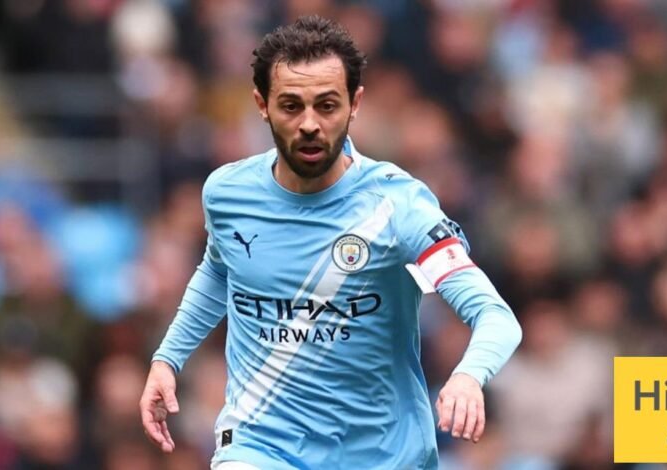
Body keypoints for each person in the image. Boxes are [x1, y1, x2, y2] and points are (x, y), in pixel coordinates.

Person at [139, 15, 522, 470]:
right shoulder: (227, 193)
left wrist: (468, 376)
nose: (309, 124)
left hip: (382, 455)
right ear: (262, 104)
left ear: (354, 103)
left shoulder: (397, 206)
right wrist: (168, 359)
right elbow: (220, 271)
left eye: (326, 105)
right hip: (261, 444)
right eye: (291, 106)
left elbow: (495, 316)